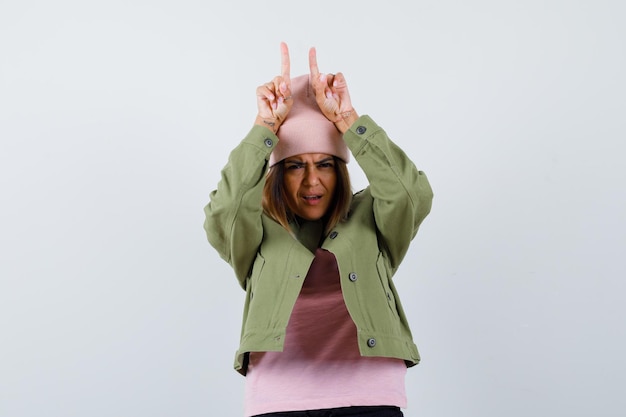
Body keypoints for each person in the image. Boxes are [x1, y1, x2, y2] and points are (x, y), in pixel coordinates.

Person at [203, 42, 433, 417]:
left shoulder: (371, 217)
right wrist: (265, 128)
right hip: (279, 400)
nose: (312, 182)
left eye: (325, 164)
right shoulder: (256, 228)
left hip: (370, 397)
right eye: (295, 166)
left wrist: (349, 121)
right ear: (277, 174)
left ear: (339, 169)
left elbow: (411, 194)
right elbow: (223, 212)